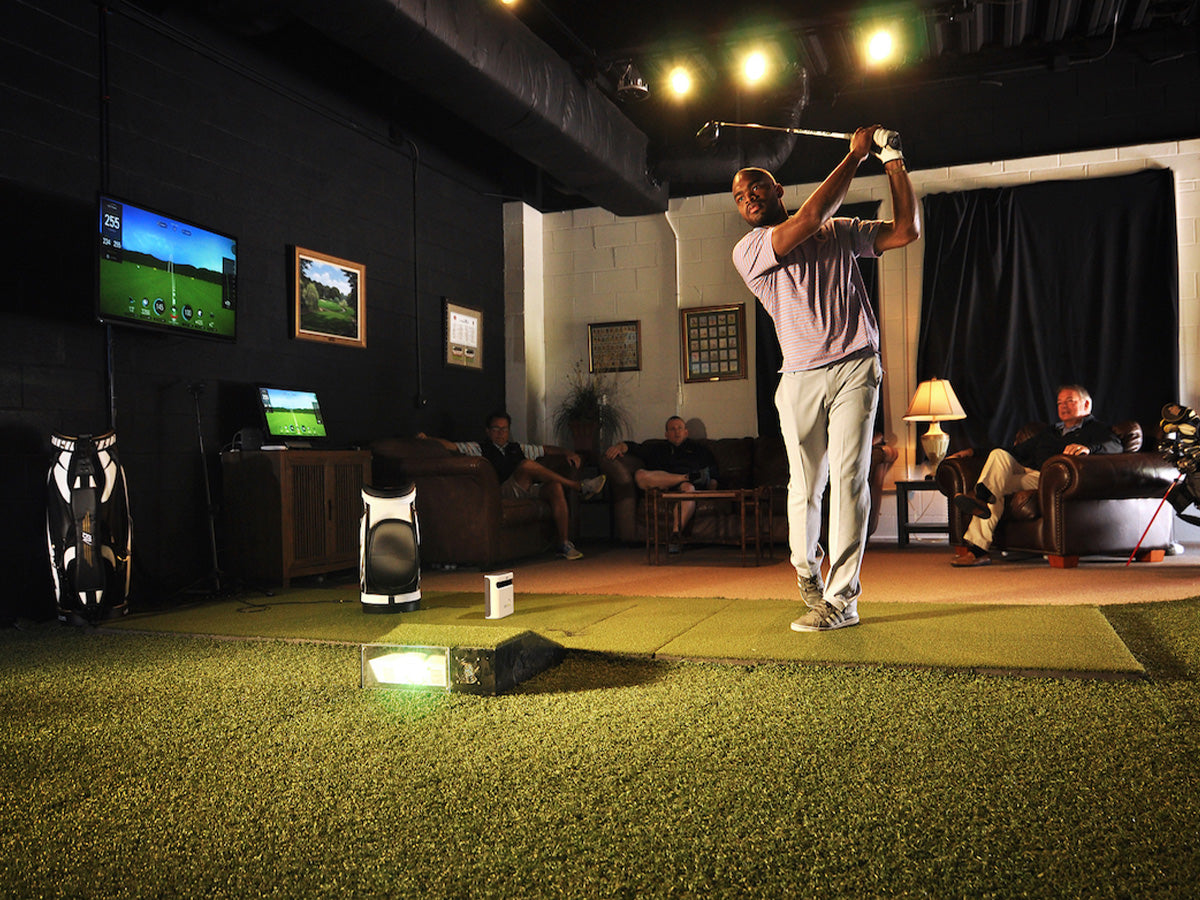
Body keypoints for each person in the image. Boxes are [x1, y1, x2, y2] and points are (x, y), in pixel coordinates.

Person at [731, 126, 920, 632]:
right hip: (798, 378)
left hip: (857, 365)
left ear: (778, 192)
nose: (748, 197)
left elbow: (906, 230)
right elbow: (812, 215)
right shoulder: (750, 250)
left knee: (851, 478)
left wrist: (894, 161)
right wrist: (856, 156)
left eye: (757, 187)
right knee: (807, 485)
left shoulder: (841, 232)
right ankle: (805, 571)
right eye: (739, 195)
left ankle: (842, 600)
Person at [949, 384, 1123, 567]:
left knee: (991, 487)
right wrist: (972, 452)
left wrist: (1089, 448)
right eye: (1060, 402)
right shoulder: (1050, 432)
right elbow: (1014, 451)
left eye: (1070, 401)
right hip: (1031, 475)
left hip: (1053, 480)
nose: (1063, 406)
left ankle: (980, 503)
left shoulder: (1096, 429)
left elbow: (1116, 446)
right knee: (998, 460)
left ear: (1086, 404)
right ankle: (978, 547)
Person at [419, 411, 605, 560]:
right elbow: (451, 446)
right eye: (496, 429)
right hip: (501, 491)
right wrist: (428, 439)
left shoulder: (518, 448)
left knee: (555, 486)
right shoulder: (479, 447)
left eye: (504, 429)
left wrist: (567, 452)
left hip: (525, 489)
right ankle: (578, 486)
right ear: (488, 431)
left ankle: (564, 544)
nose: (501, 433)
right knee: (526, 465)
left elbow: (546, 449)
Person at [604, 415, 720, 549]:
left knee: (688, 488)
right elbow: (633, 447)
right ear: (666, 434)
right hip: (662, 484)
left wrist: (712, 488)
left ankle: (675, 534)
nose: (677, 432)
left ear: (686, 432)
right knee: (640, 475)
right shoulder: (657, 449)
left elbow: (713, 472)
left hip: (687, 488)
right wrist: (618, 447)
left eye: (680, 428)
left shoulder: (700, 450)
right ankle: (686, 476)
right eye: (672, 429)